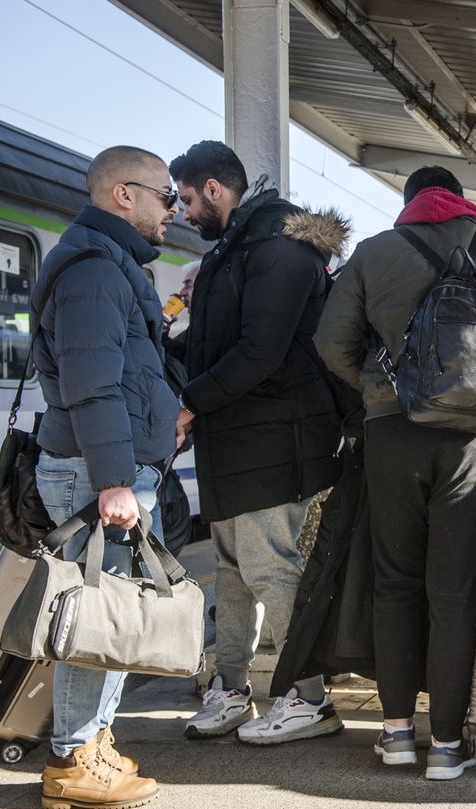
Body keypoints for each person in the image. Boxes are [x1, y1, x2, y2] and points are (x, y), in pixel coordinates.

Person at [315, 165, 476, 779]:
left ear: (407, 205)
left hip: (394, 434)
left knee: (395, 584)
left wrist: (380, 389)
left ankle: (397, 734)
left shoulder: (375, 253)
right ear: (461, 202)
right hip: (475, 436)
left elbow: (330, 342)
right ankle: (448, 746)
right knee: (454, 591)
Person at [170, 140, 347, 744]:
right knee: (230, 571)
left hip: (276, 436)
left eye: (188, 199)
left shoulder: (277, 247)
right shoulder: (236, 250)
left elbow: (259, 352)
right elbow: (214, 345)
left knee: (270, 567)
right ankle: (230, 688)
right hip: (237, 437)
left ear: (215, 189)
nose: (183, 212)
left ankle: (309, 698)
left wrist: (190, 402)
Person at [32, 145, 179, 809]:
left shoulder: (111, 265)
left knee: (111, 617)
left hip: (109, 473)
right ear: (124, 195)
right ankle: (71, 758)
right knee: (95, 616)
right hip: (98, 477)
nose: (172, 210)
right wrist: (115, 479)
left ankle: (91, 741)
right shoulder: (94, 269)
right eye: (165, 196)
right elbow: (92, 383)